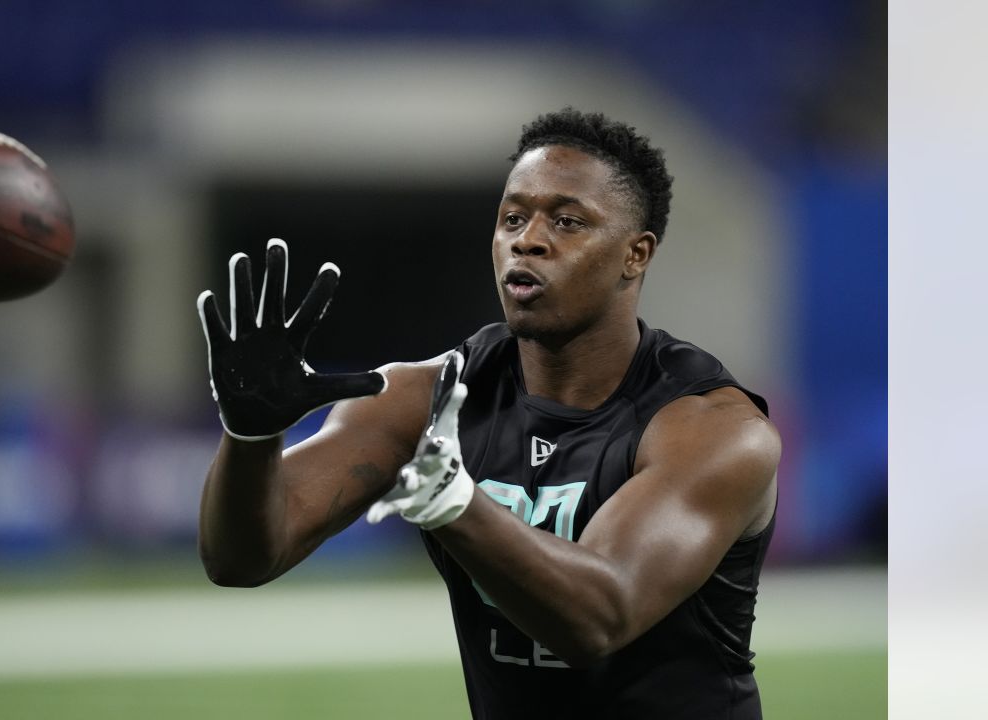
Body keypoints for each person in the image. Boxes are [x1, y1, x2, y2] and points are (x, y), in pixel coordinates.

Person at [195, 108, 780, 719]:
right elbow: (241, 559)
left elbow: (599, 620)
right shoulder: (425, 398)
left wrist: (457, 505)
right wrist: (250, 436)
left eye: (568, 221)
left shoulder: (714, 428)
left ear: (635, 255)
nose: (528, 239)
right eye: (512, 218)